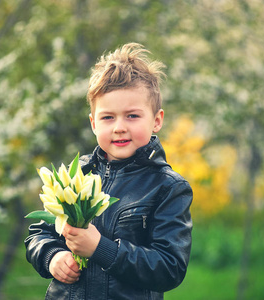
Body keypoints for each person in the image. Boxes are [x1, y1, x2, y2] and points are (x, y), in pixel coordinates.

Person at [25, 43, 193, 299]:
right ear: (93, 123)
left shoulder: (167, 187)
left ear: (156, 120)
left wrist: (101, 249)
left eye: (132, 116)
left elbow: (169, 268)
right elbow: (39, 234)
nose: (119, 127)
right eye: (108, 117)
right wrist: (52, 256)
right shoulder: (75, 176)